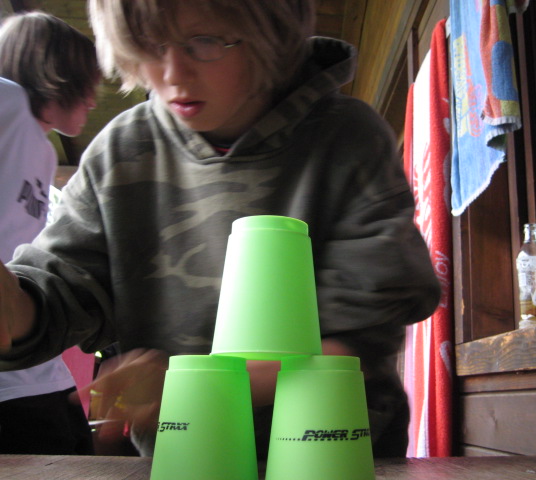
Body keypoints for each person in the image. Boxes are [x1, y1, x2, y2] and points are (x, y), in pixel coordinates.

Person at [0, 0, 441, 458]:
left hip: (336, 454)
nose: (173, 74)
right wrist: (15, 308)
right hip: (182, 457)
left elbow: (362, 336)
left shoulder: (347, 137)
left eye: (205, 41)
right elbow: (61, 289)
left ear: (271, 34)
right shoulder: (118, 151)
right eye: (150, 45)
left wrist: (192, 388)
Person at [0, 11, 100, 454]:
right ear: (55, 75)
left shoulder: (40, 151)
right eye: (87, 84)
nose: (94, 100)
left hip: (32, 362)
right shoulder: (6, 100)